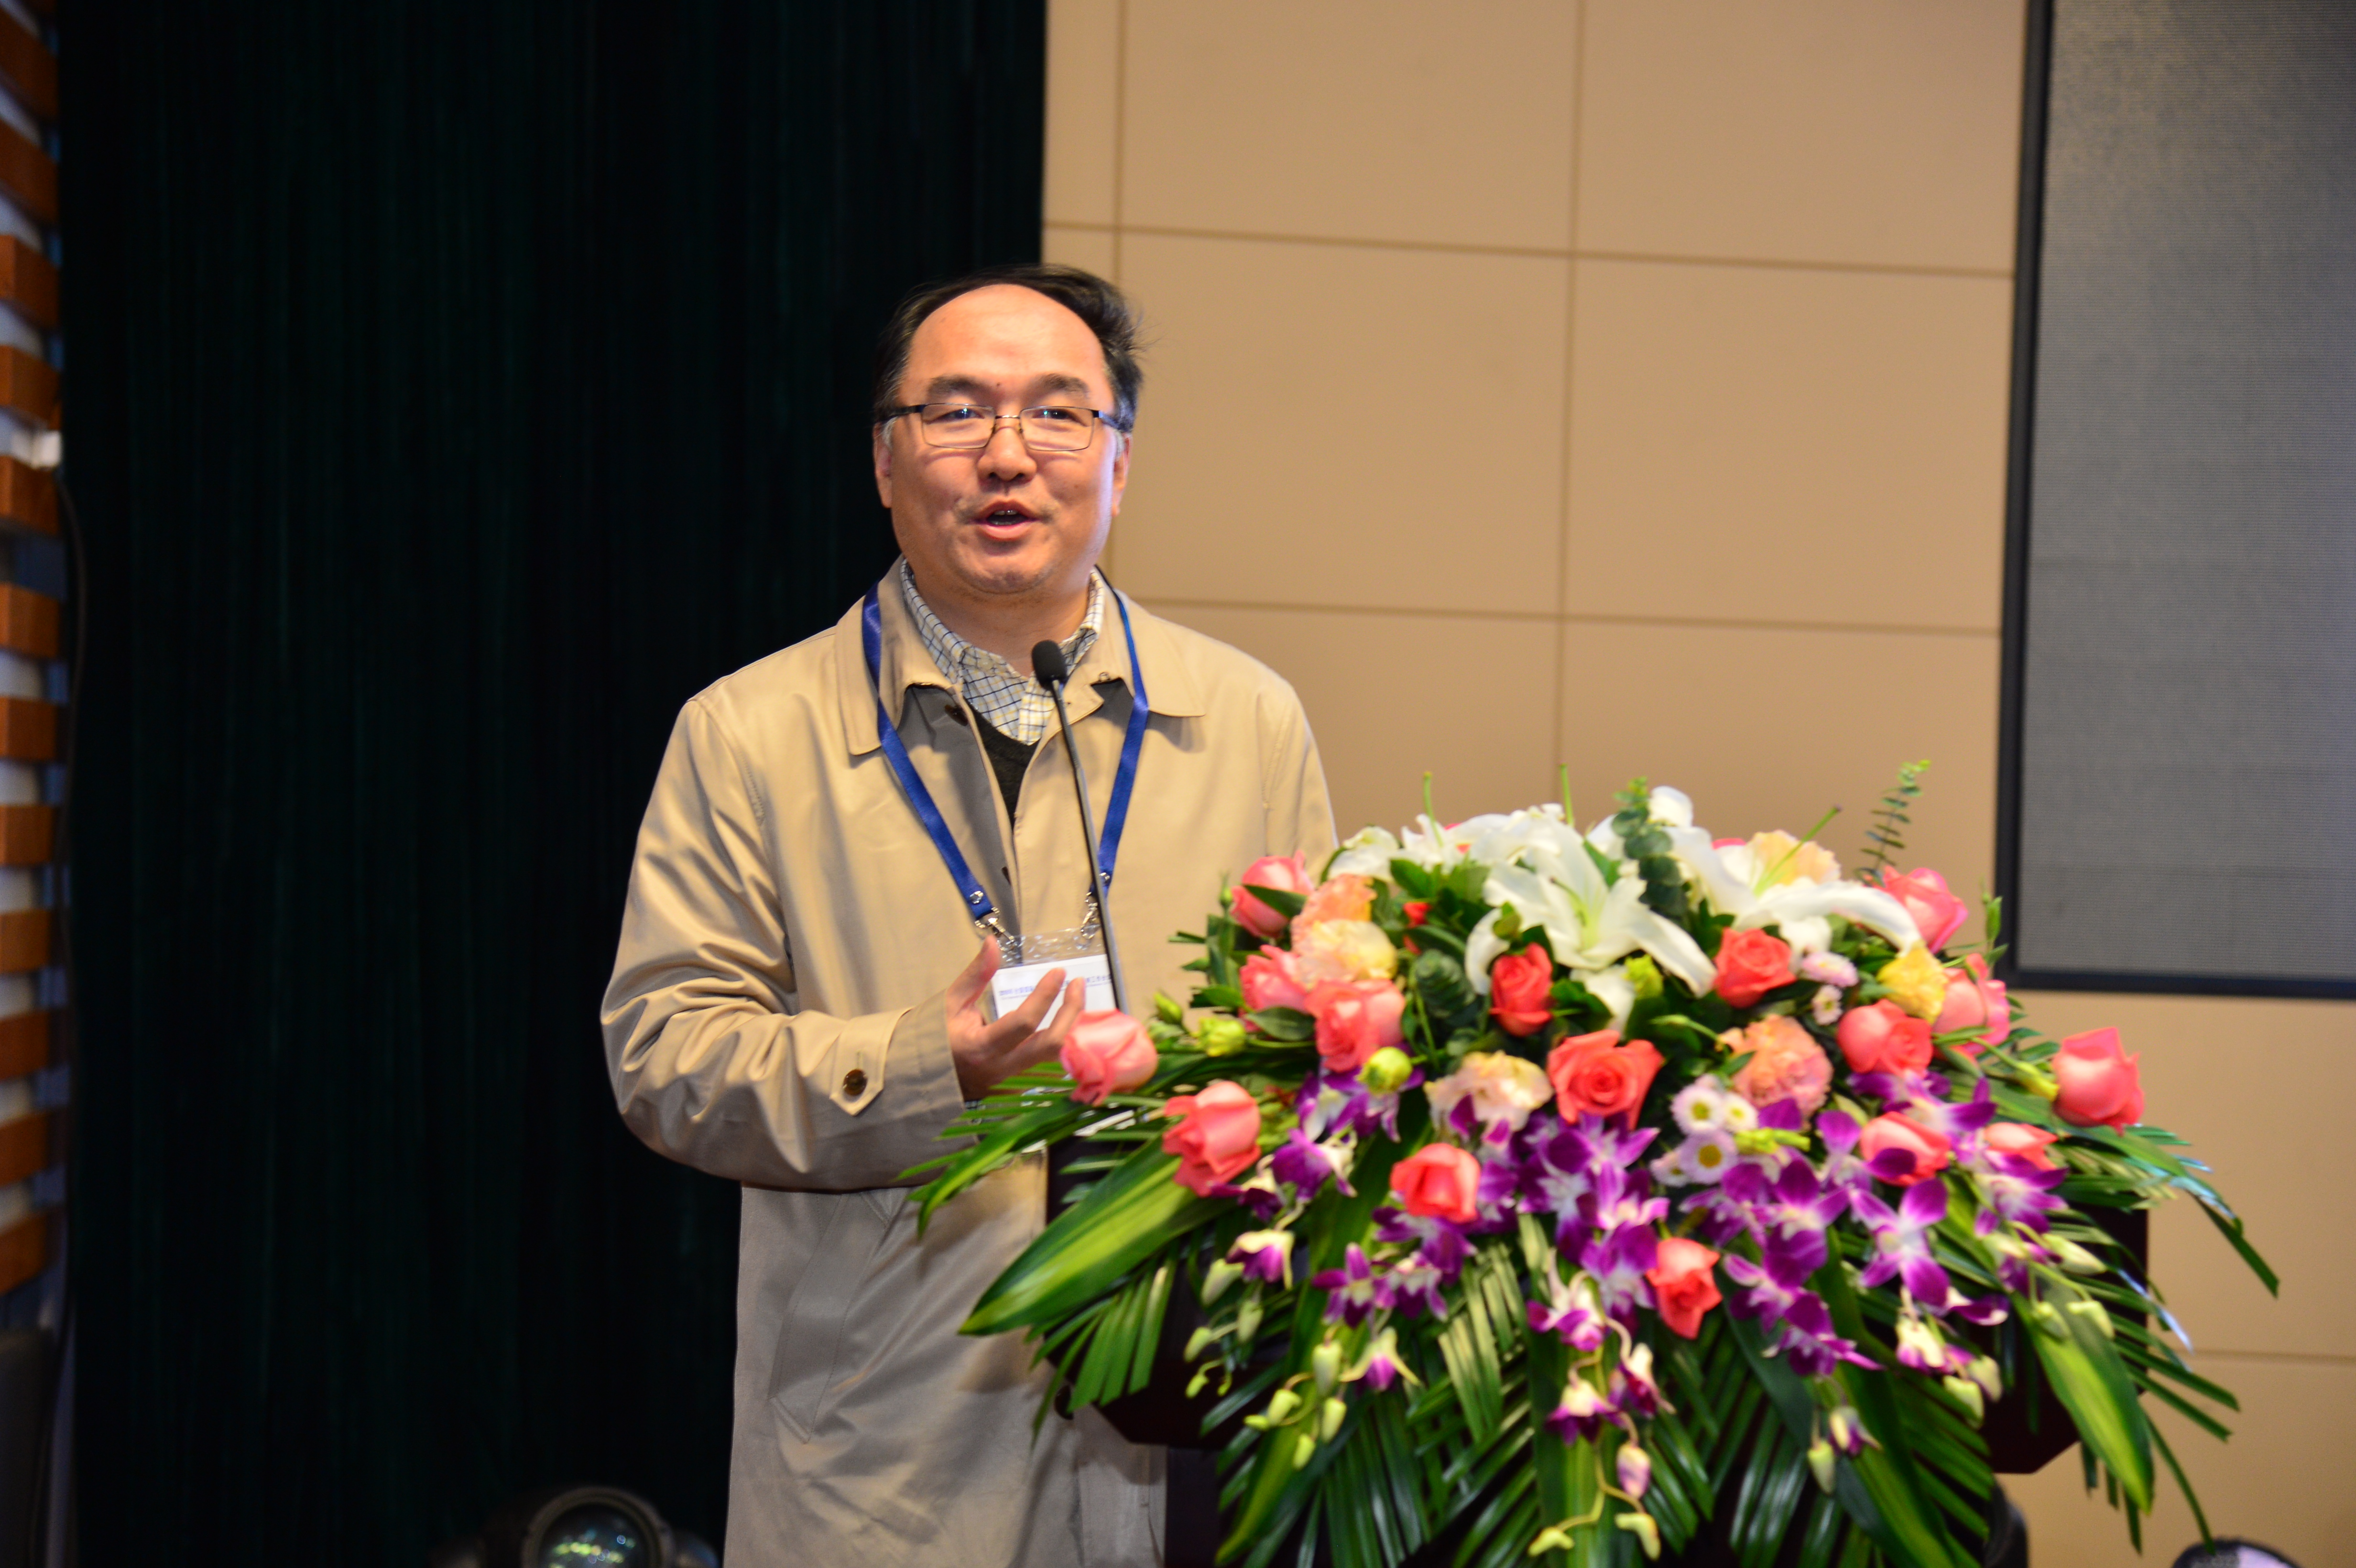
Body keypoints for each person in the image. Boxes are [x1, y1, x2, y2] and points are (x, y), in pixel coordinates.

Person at [601, 263, 1336, 1568]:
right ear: (885, 461)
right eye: (956, 412)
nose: (1008, 453)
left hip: (1183, 1443)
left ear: (1120, 461)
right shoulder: (749, 734)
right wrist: (925, 1068)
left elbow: (1324, 1052)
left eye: (1060, 413)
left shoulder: (1247, 720)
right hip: (883, 1459)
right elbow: (665, 1059)